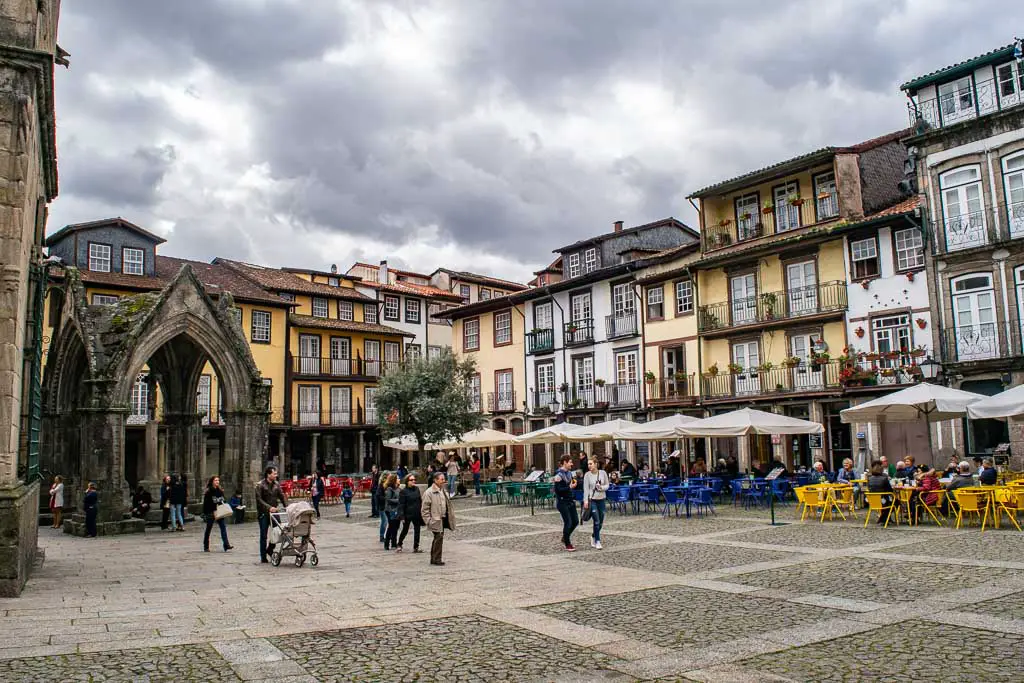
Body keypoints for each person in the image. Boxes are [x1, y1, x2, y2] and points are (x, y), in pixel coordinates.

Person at [421, 471, 455, 566]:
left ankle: (434, 558)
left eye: (444, 479)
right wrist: (428, 521)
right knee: (438, 537)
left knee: (438, 538)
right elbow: (424, 509)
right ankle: (437, 559)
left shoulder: (443, 490)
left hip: (442, 518)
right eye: (441, 479)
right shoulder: (429, 492)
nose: (444, 481)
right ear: (435, 480)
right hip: (435, 519)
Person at [255, 466, 287, 564]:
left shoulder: (276, 484)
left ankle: (270, 548)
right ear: (268, 474)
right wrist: (269, 508)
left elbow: (282, 496)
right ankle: (263, 556)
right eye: (274, 473)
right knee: (263, 535)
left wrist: (288, 507)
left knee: (280, 532)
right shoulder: (260, 485)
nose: (276, 475)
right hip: (264, 513)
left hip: (275, 513)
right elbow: (259, 500)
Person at [553, 455, 579, 551]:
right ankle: (568, 543)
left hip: (570, 500)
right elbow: (558, 490)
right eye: (570, 462)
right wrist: (570, 487)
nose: (572, 464)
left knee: (575, 521)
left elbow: (571, 485)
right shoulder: (558, 475)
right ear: (565, 462)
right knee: (568, 522)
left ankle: (565, 536)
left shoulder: (569, 474)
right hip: (562, 502)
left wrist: (576, 484)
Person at [583, 456, 609, 549]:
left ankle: (593, 535)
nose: (589, 466)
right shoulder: (587, 475)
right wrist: (585, 500)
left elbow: (607, 485)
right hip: (592, 500)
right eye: (588, 464)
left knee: (601, 521)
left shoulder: (603, 473)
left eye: (591, 464)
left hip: (601, 499)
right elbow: (586, 489)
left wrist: (601, 488)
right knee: (596, 521)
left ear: (596, 464)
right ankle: (598, 541)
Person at [202, 475, 233, 552]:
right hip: (211, 512)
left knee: (223, 527)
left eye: (218, 480)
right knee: (208, 529)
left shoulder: (219, 491)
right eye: (216, 480)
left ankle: (226, 544)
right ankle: (206, 545)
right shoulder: (208, 491)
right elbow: (206, 504)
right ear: (212, 482)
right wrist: (208, 512)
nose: (217, 482)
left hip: (219, 511)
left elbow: (223, 500)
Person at [397, 473, 424, 553]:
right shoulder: (403, 491)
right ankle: (399, 544)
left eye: (414, 480)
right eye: (411, 480)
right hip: (407, 514)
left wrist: (422, 511)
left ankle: (416, 547)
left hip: (416, 513)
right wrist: (401, 516)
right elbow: (401, 504)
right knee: (405, 530)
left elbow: (420, 501)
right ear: (407, 481)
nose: (413, 481)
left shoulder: (417, 489)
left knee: (417, 530)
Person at [866, 461, 894, 525]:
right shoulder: (884, 479)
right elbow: (890, 490)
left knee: (889, 503)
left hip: (873, 501)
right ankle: (883, 519)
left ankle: (885, 519)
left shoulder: (869, 479)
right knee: (896, 503)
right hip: (883, 500)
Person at [382, 474, 401, 550]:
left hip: (397, 510)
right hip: (390, 510)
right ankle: (387, 543)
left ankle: (394, 543)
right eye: (398, 478)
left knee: (396, 526)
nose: (399, 479)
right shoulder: (390, 489)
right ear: (394, 480)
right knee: (391, 526)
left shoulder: (399, 489)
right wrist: (398, 501)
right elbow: (388, 499)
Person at [376, 474, 389, 543]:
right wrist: (386, 498)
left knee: (386, 522)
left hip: (387, 507)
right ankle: (381, 536)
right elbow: (378, 496)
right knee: (384, 521)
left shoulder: (388, 486)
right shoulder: (381, 486)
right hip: (382, 507)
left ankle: (385, 535)